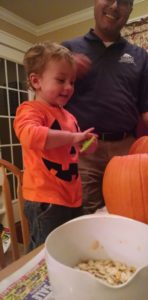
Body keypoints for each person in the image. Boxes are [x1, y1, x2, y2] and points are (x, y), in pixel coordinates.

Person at [62, 0, 148, 214]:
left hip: (128, 149)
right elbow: (45, 95)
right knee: (87, 217)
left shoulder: (140, 57)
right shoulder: (66, 50)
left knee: (135, 211)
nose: (114, 6)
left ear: (130, 10)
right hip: (83, 148)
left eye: (123, 2)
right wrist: (63, 69)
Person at [14, 42, 97, 251]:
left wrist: (87, 144)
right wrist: (72, 137)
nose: (68, 87)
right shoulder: (30, 110)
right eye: (61, 80)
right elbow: (30, 136)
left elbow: (75, 150)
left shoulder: (69, 116)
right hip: (45, 199)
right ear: (36, 81)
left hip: (72, 196)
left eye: (72, 81)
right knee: (45, 253)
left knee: (71, 247)